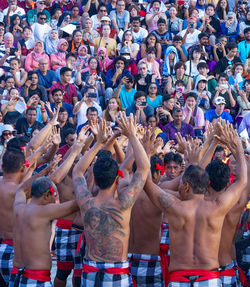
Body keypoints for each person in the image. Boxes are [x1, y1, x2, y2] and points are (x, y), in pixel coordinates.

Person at [144, 124, 247, 287]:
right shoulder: (218, 207)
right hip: (210, 278)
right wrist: (238, 147)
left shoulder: (174, 207)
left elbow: (147, 183)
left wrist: (146, 150)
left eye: (181, 183)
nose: (178, 185)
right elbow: (242, 181)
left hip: (178, 279)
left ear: (186, 186)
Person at [72, 114, 150, 286]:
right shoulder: (124, 202)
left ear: (95, 180)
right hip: (117, 272)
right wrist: (132, 135)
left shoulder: (86, 202)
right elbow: (144, 168)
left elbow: (77, 171)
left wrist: (99, 142)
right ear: (117, 179)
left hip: (90, 270)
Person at [12, 177, 79, 286]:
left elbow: (20, 189)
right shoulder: (44, 212)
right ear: (47, 195)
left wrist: (46, 168)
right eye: (55, 195)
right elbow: (78, 203)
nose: (56, 200)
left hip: (16, 276)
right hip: (36, 279)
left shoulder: (18, 207)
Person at [205, 159, 250, 287]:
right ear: (228, 184)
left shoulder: (198, 205)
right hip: (226, 268)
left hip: (205, 272)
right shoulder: (235, 207)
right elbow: (245, 181)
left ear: (206, 184)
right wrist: (238, 149)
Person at [128, 154, 165, 286]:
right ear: (155, 174)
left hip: (125, 260)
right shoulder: (160, 195)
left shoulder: (122, 192)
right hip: (149, 261)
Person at [0, 147, 26, 285]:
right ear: (22, 169)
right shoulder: (20, 190)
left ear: (2, 166)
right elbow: (55, 178)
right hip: (13, 250)